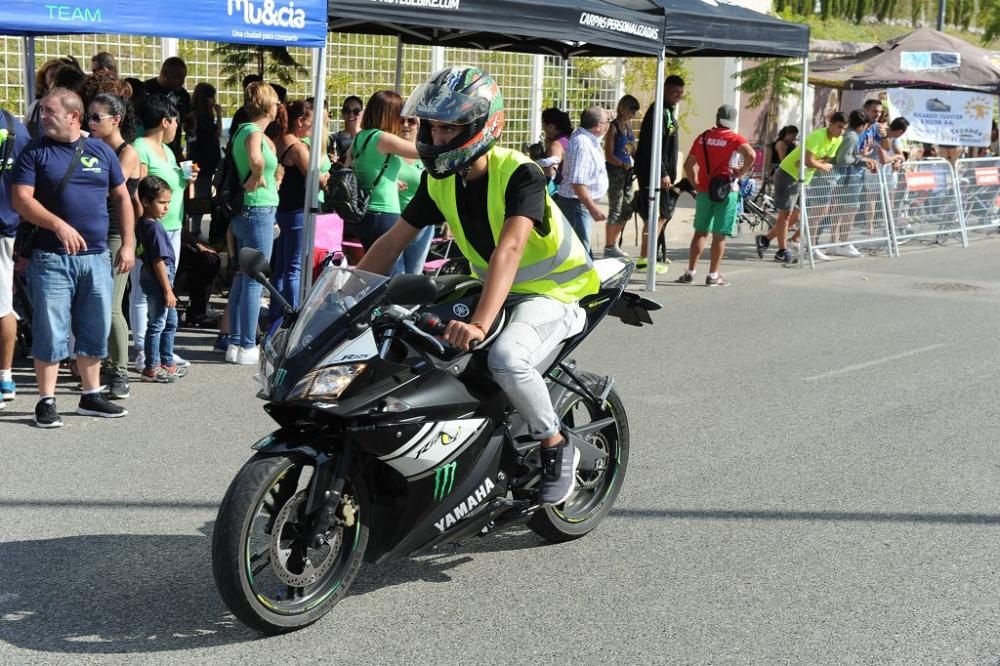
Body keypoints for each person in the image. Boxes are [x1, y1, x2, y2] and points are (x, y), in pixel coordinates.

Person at [358, 66, 599, 505]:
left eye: (448, 127)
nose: (436, 136)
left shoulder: (520, 173)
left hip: (552, 290)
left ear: (479, 127)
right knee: (408, 337)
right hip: (487, 284)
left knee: (506, 359)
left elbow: (509, 249)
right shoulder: (441, 178)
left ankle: (553, 444)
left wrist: (480, 324)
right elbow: (393, 240)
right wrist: (345, 296)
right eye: (432, 125)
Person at [11, 88, 135, 427]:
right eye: (41, 112)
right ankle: (46, 400)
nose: (41, 116)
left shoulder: (101, 151)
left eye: (49, 111)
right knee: (51, 328)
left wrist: (127, 243)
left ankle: (91, 395)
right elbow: (22, 199)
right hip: (52, 257)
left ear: (73, 116)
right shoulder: (34, 152)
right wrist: (57, 225)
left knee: (95, 325)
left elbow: (122, 198)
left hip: (96, 258)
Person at [131, 94, 197, 371]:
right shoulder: (140, 148)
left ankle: (160, 350)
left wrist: (188, 178)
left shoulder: (168, 151)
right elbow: (138, 190)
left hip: (172, 227)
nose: (177, 127)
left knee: (163, 287)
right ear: (165, 121)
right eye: (175, 121)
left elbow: (172, 188)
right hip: (151, 230)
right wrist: (139, 229)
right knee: (143, 291)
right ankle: (143, 349)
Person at [88, 92, 141, 399]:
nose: (90, 123)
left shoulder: (127, 152)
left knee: (111, 306)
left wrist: (128, 244)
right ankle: (106, 362)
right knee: (95, 305)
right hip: (92, 235)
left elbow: (109, 188)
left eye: (97, 118)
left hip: (115, 235)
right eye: (89, 117)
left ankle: (120, 371)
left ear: (116, 120)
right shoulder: (92, 147)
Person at [225, 81, 281, 365]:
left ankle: (236, 341)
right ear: (268, 105)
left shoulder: (241, 130)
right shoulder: (254, 132)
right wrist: (256, 176)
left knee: (243, 277)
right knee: (256, 278)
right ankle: (247, 343)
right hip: (258, 208)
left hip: (246, 211)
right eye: (275, 102)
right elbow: (257, 161)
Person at [673, 105, 755, 287]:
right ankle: (713, 275)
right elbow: (751, 154)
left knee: (700, 232)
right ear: (732, 122)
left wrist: (696, 185)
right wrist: (741, 172)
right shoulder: (734, 138)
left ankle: (690, 272)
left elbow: (688, 165)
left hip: (704, 190)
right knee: (719, 235)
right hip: (727, 191)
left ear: (717, 118)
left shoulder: (703, 138)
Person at [756, 112, 847, 263]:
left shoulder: (838, 139)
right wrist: (820, 165)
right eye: (839, 127)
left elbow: (824, 159)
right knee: (785, 214)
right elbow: (810, 161)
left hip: (803, 178)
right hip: (788, 173)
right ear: (830, 124)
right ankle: (782, 251)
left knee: (797, 215)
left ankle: (765, 239)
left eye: (844, 128)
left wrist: (817, 163)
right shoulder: (817, 136)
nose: (841, 131)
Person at [272, 99, 329, 317]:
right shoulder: (297, 147)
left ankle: (277, 314)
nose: (313, 127)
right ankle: (292, 315)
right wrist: (328, 176)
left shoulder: (278, 141)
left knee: (280, 268)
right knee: (294, 269)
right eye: (311, 122)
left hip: (282, 210)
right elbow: (316, 179)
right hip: (297, 211)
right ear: (299, 121)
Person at [348, 90, 419, 267]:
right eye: (399, 114)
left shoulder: (361, 137)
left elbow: (350, 168)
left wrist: (388, 182)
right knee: (392, 275)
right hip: (384, 213)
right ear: (391, 114)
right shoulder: (383, 138)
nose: (402, 121)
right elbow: (421, 152)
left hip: (364, 214)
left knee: (373, 271)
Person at [633, 74, 685, 274]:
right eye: (675, 92)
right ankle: (646, 258)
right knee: (659, 214)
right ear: (665, 90)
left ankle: (647, 257)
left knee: (659, 214)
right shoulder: (658, 112)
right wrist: (663, 172)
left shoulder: (668, 111)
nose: (678, 96)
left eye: (681, 93)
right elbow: (652, 145)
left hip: (662, 173)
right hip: (653, 172)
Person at [136, 176, 183, 383]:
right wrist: (168, 290)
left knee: (170, 322)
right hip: (159, 278)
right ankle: (152, 367)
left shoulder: (147, 223)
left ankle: (167, 361)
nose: (166, 208)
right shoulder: (153, 227)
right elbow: (158, 261)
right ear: (146, 202)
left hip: (157, 277)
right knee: (158, 323)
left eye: (168, 203)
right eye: (162, 203)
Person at [0, 107, 30, 406]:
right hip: (6, 229)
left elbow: (31, 185)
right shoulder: (16, 128)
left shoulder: (15, 130)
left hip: (2, 231)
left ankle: (5, 376)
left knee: (2, 306)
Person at [553, 106, 610, 256]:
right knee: (581, 253)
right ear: (598, 126)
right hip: (576, 205)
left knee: (580, 250)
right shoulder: (583, 144)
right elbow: (578, 183)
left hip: (579, 204)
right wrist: (593, 208)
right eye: (607, 122)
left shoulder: (587, 137)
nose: (608, 125)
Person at [823, 109, 877, 260]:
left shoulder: (848, 135)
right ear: (863, 125)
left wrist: (859, 158)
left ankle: (835, 242)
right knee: (850, 208)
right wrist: (862, 161)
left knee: (840, 209)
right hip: (846, 176)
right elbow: (842, 159)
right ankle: (843, 242)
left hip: (842, 176)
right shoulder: (852, 136)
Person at [602, 94, 639, 258]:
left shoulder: (629, 127)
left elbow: (632, 148)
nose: (633, 114)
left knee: (627, 208)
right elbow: (608, 154)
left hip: (627, 171)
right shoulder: (613, 127)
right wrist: (622, 164)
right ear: (624, 108)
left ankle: (614, 242)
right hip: (615, 171)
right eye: (632, 110)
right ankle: (609, 245)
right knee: (615, 208)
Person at [397, 113, 433, 274]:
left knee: (414, 275)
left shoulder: (425, 156)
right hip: (396, 222)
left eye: (411, 121)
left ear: (419, 126)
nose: (405, 125)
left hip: (422, 225)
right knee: (396, 275)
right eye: (401, 121)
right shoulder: (390, 151)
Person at [144, 57, 193, 160]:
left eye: (184, 77)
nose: (182, 81)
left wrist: (191, 126)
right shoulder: (146, 90)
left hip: (174, 152)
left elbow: (189, 122)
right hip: (151, 150)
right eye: (178, 77)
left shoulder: (183, 95)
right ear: (165, 73)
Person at [189, 83, 222, 201]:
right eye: (212, 97)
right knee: (203, 195)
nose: (214, 101)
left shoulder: (193, 113)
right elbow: (217, 133)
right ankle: (195, 219)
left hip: (195, 158)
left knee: (201, 192)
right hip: (204, 160)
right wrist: (219, 114)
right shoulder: (202, 116)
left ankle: (193, 218)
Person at [539, 108, 572, 183]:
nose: (543, 128)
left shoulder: (556, 145)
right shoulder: (569, 139)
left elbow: (551, 173)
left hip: (559, 190)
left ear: (550, 126)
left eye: (543, 124)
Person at [332, 95, 363, 164]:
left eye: (356, 111)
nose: (351, 114)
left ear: (362, 114)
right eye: (347, 111)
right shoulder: (333, 139)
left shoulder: (369, 139)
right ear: (342, 113)